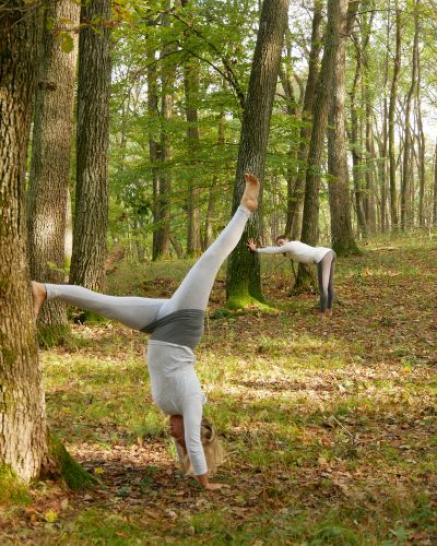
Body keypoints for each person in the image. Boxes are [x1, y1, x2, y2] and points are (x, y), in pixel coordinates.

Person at [32, 173, 260, 491]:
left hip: (158, 324)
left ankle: (45, 290)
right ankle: (246, 208)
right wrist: (206, 483)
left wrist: (183, 453)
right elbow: (194, 441)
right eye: (177, 436)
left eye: (175, 438)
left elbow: (188, 443)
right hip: (182, 322)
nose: (172, 434)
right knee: (209, 261)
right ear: (198, 429)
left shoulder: (170, 406)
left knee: (105, 304)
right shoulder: (191, 400)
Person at [247, 236, 336, 314]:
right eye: (279, 244)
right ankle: (329, 310)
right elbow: (274, 249)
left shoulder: (290, 245)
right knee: (328, 286)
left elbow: (275, 250)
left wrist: (256, 250)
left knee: (323, 287)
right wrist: (261, 247)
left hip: (323, 256)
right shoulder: (292, 247)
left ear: (287, 240)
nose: (281, 246)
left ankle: (323, 313)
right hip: (329, 253)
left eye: (281, 242)